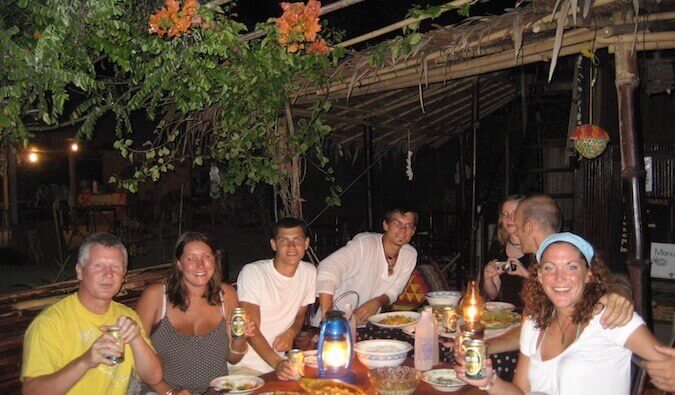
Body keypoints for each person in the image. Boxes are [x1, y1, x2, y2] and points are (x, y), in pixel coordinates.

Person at [455, 232, 667, 394]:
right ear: (539, 277)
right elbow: (521, 391)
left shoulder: (610, 317)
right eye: (549, 268)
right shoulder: (535, 323)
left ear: (589, 275)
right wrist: (489, 380)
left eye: (571, 266)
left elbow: (666, 364)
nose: (559, 277)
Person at [484, 194, 635, 355]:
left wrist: (619, 292)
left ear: (528, 226)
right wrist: (484, 346)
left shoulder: (564, 253)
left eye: (518, 222)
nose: (515, 228)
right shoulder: (540, 260)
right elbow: (532, 328)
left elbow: (610, 276)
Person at [21, 233, 162, 395]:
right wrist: (86, 361)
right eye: (98, 266)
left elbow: (154, 377)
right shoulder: (50, 322)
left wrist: (136, 338)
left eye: (115, 267)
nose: (108, 274)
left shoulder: (126, 315)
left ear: (123, 276)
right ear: (80, 271)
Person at [135, 231, 255, 394]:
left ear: (215, 259)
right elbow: (134, 355)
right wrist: (170, 392)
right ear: (179, 263)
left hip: (215, 391)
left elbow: (233, 358)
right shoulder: (157, 296)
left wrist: (239, 339)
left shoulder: (226, 295)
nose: (200, 265)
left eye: (206, 257)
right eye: (191, 258)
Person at [236, 217, 316, 380]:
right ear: (274, 244)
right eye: (284, 241)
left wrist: (291, 333)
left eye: (297, 240)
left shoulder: (309, 272)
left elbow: (300, 314)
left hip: (281, 364)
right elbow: (250, 329)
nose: (292, 247)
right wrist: (277, 363)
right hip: (246, 367)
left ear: (306, 243)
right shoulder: (254, 273)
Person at [313, 203, 418, 326]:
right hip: (333, 326)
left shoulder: (410, 255)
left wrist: (377, 302)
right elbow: (328, 268)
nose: (402, 230)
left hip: (367, 326)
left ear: (413, 231)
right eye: (396, 223)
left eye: (408, 225)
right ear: (385, 225)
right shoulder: (365, 245)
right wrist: (328, 316)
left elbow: (394, 291)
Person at [482, 195, 531, 307]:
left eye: (514, 213)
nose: (509, 218)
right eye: (505, 214)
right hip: (506, 315)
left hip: (534, 315)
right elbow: (493, 294)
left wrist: (524, 272)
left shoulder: (537, 248)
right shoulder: (498, 247)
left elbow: (550, 286)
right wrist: (487, 277)